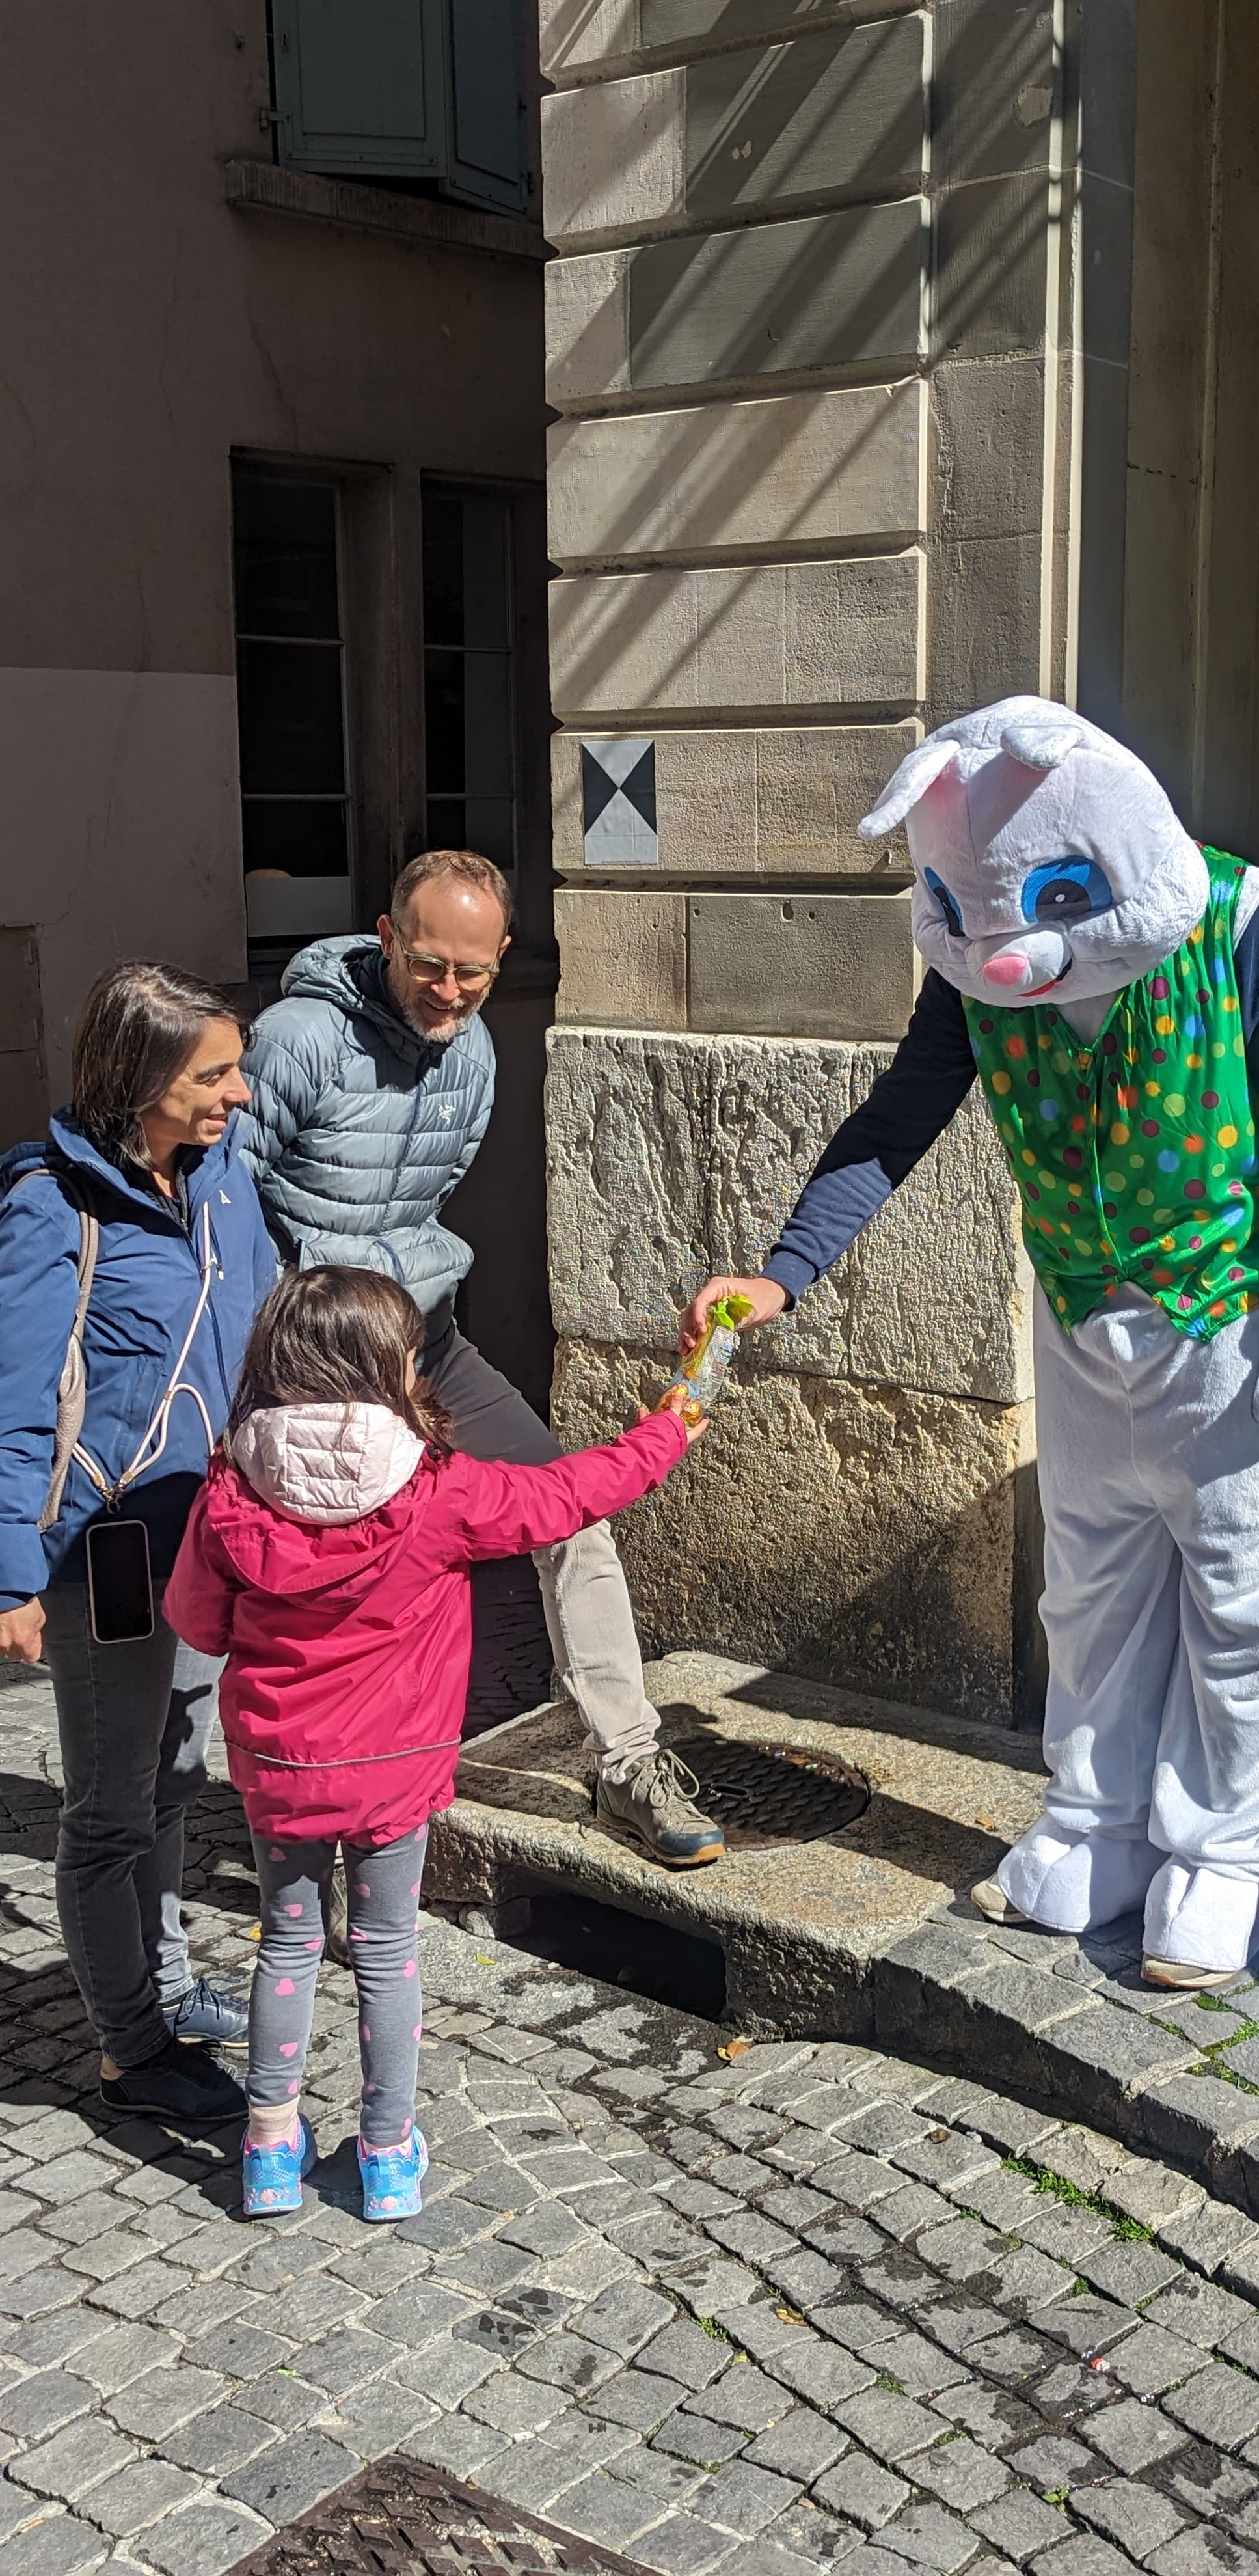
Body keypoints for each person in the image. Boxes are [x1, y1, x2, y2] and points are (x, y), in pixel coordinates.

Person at [685, 696, 1259, 1990]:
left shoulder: (1240, 922)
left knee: (1248, 1615)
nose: (1006, 957)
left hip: (1238, 1329)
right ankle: (1097, 1826)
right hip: (1084, 1329)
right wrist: (784, 1276)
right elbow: (899, 1120)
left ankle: (1221, 1854)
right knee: (1092, 1598)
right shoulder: (972, 958)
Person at [164, 1265, 703, 2219]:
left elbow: (199, 1626)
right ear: (395, 1370)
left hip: (280, 1774)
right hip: (393, 1772)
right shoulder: (437, 1487)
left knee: (287, 1948)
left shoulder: (229, 1489)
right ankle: (385, 2156)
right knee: (384, 1950)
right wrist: (666, 1431)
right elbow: (567, 1496)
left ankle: (269, 2152)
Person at [237, 849, 723, 1868]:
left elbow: (433, 1193)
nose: (450, 991)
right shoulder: (298, 1041)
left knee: (568, 1511)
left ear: (503, 955)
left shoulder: (474, 1052)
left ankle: (628, 1758)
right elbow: (227, 1205)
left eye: (474, 970)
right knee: (347, 1586)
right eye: (428, 966)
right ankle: (327, 1824)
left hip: (430, 1341)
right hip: (319, 1365)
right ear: (385, 938)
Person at [0, 963, 278, 2119]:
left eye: (237, 1068)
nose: (240, 1095)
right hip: (104, 1551)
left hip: (207, 1538)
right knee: (110, 1810)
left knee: (174, 1781)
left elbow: (265, 1324)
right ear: (138, 1080)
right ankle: (129, 2051)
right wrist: (12, 1576)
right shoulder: (48, 1203)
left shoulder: (223, 1180)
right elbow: (16, 1398)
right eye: (213, 1075)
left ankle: (160, 1985)